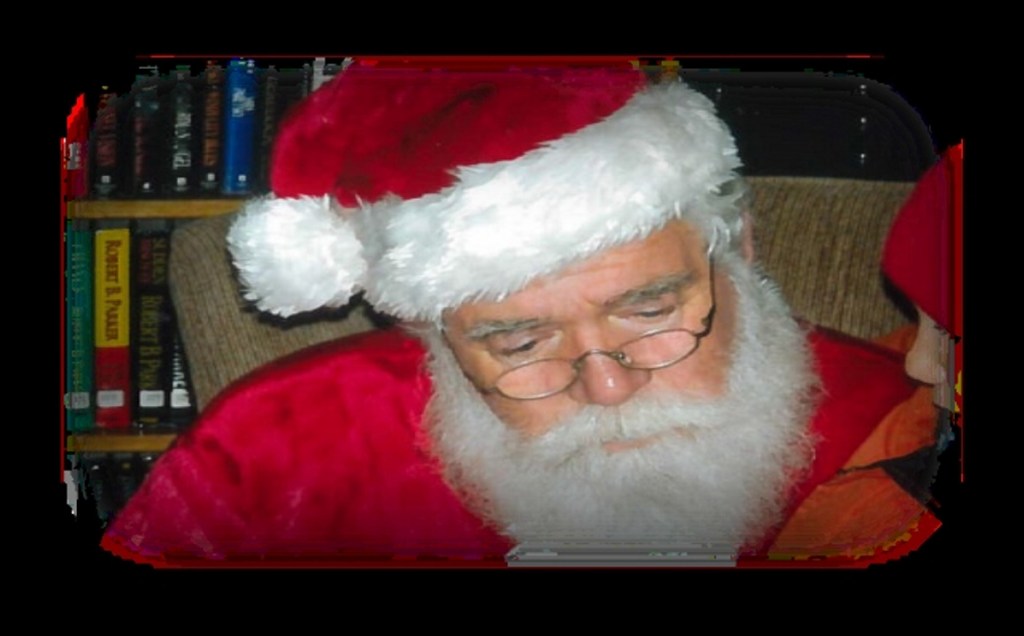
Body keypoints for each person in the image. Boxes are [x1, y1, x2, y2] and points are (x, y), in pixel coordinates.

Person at [101, 63, 939, 566]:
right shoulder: (275, 446)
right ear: (427, 330)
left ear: (737, 248)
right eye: (519, 340)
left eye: (650, 308)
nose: (608, 388)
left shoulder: (893, 431)